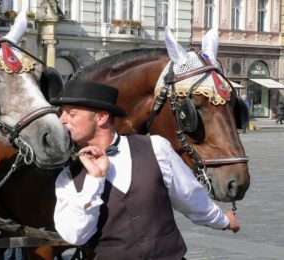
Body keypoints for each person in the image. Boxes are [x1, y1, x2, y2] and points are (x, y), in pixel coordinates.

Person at [50, 80, 240, 260]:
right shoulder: (68, 177)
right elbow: (76, 236)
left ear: (101, 117)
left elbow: (190, 196)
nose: (61, 120)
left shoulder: (156, 148)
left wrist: (222, 221)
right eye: (62, 113)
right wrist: (95, 179)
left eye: (71, 114)